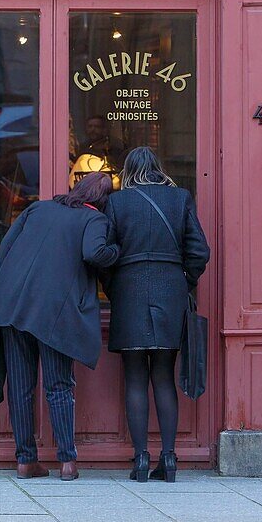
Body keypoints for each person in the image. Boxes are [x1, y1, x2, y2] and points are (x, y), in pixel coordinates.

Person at [0, 172, 120, 481]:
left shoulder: (38, 208)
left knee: (20, 387)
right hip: (55, 314)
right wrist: (117, 252)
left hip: (14, 308)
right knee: (58, 386)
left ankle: (26, 461)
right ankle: (67, 463)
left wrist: (2, 292)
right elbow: (94, 252)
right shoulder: (94, 220)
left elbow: (5, 249)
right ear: (102, 201)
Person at [103, 147, 210, 483]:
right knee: (163, 376)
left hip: (130, 293)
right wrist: (183, 280)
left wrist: (115, 287)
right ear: (158, 168)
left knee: (135, 377)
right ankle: (169, 457)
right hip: (169, 293)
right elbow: (199, 251)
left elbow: (105, 253)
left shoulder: (118, 203)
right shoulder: (180, 199)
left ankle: (140, 460)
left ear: (129, 170)